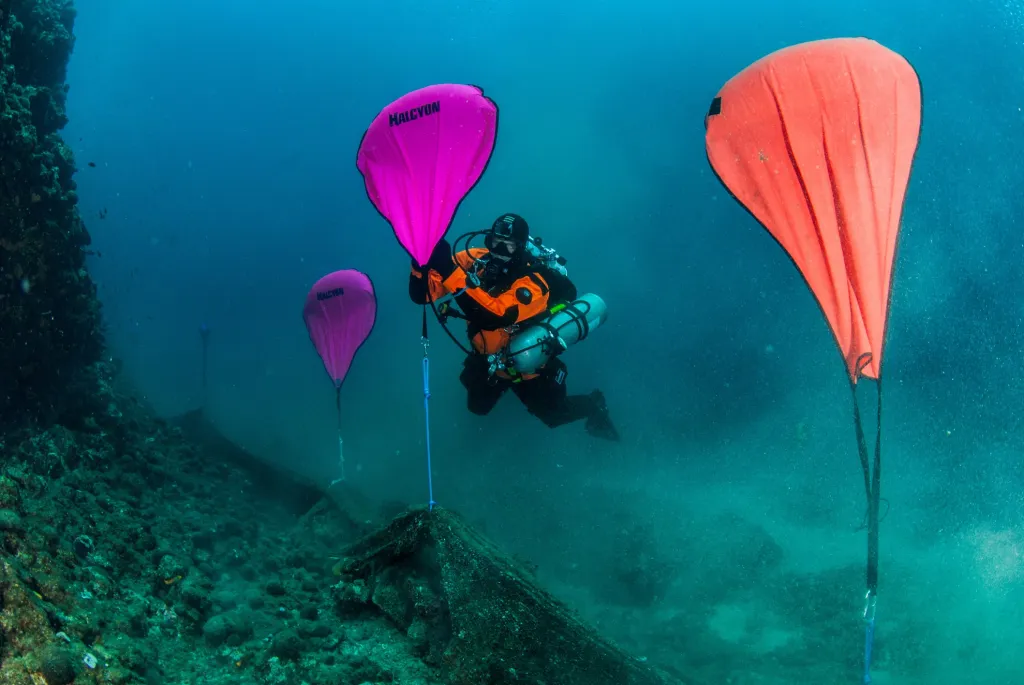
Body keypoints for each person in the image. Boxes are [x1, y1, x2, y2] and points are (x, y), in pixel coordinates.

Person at [408, 213, 619, 441]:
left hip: (528, 366)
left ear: (519, 248)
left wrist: (449, 271)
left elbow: (495, 315)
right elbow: (423, 295)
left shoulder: (536, 282)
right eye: (494, 242)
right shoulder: (477, 260)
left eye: (507, 246)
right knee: (477, 407)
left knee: (555, 416)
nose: (498, 250)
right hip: (489, 360)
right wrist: (420, 265)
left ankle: (594, 405)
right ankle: (503, 390)